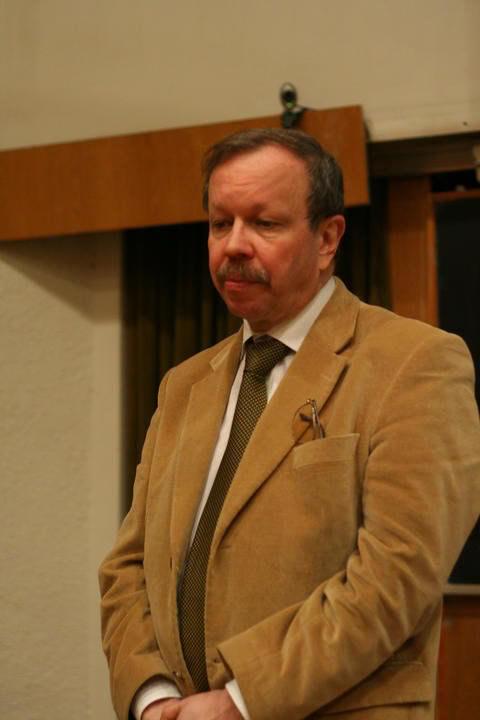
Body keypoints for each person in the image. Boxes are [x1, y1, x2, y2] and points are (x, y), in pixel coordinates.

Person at [99, 128, 480, 720]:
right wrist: (152, 697)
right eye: (220, 223)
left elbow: (396, 579)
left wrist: (240, 702)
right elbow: (128, 569)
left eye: (264, 223)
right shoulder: (183, 386)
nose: (234, 245)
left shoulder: (414, 363)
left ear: (328, 238)